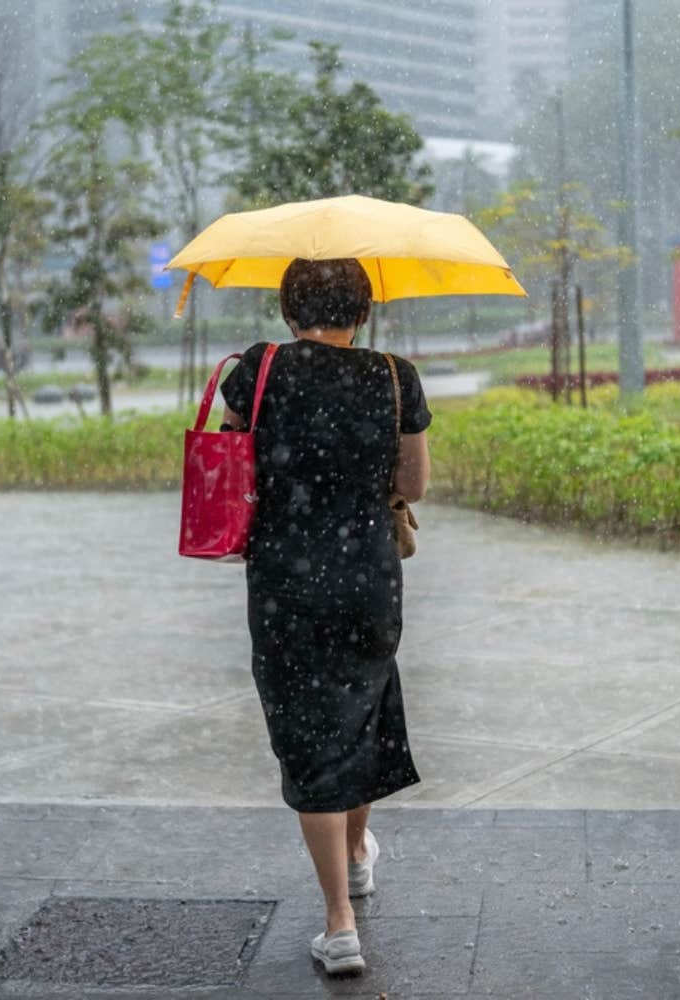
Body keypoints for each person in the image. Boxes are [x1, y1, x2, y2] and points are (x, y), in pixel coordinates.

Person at [220, 258, 431, 976]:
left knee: (310, 736)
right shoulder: (395, 376)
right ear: (363, 309)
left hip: (285, 581)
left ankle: (339, 924)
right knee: (362, 710)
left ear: (288, 307)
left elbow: (233, 464)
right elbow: (413, 483)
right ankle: (356, 857)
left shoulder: (261, 369)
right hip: (368, 576)